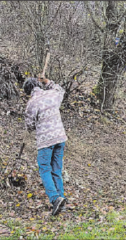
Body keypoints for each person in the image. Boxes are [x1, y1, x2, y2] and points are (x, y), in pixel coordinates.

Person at [23, 76, 68, 215]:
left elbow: (29, 125)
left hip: (45, 141)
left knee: (44, 169)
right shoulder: (52, 94)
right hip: (60, 137)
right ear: (39, 85)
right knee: (56, 169)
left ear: (28, 91)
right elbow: (60, 89)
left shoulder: (32, 103)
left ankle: (55, 199)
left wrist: (32, 125)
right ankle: (61, 200)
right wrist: (47, 81)